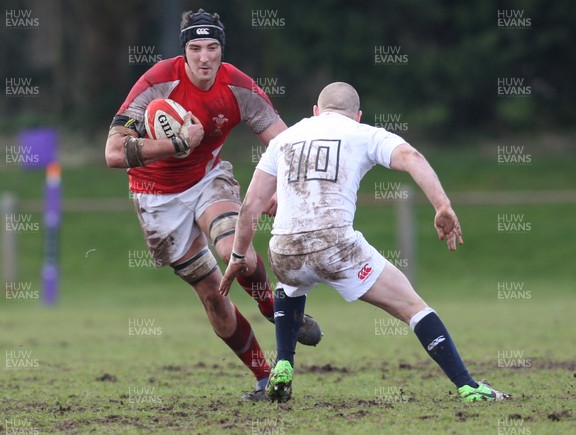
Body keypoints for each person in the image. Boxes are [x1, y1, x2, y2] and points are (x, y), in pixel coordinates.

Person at [219, 82, 511, 403]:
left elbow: (249, 207)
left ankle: (284, 364)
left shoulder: (285, 138)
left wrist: (237, 255)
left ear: (316, 111)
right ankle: (468, 386)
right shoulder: (365, 134)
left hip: (284, 249)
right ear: (357, 116)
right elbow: (411, 157)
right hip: (335, 246)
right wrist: (442, 205)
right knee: (413, 307)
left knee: (289, 284)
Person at [104, 9, 322, 401]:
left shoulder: (238, 87)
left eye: (212, 47)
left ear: (222, 49)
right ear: (183, 52)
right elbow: (114, 153)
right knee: (211, 295)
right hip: (156, 198)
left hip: (207, 179)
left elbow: (285, 145)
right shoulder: (156, 84)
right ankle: (264, 377)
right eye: (195, 48)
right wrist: (177, 144)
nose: (205, 57)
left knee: (233, 250)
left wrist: (281, 190)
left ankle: (271, 307)